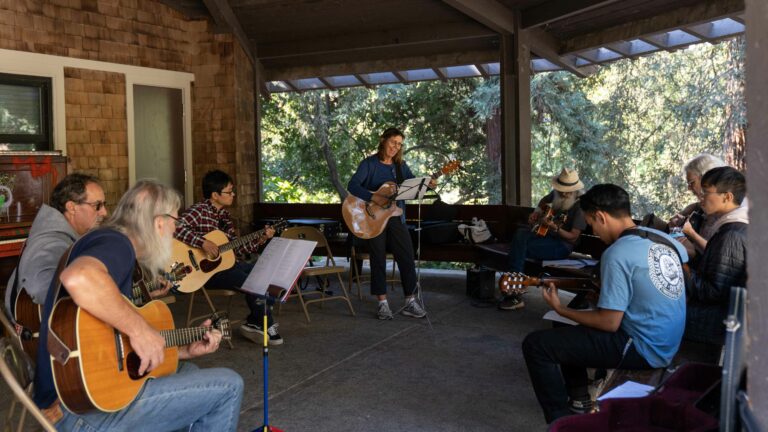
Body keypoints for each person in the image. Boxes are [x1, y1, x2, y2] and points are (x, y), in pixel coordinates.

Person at [34, 179, 244, 430]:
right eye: (175, 222)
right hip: (79, 411)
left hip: (78, 397)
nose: (175, 231)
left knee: (188, 370)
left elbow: (113, 347)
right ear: (158, 222)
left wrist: (182, 350)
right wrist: (140, 330)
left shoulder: (106, 242)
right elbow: (78, 277)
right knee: (230, 385)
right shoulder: (117, 243)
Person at [522, 184, 687, 424]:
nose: (594, 231)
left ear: (601, 216)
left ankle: (561, 422)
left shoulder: (617, 253)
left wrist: (560, 309)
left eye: (592, 224)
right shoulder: (660, 238)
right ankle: (579, 399)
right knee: (566, 331)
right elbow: (685, 260)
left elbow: (609, 323)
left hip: (644, 348)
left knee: (536, 345)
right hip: (668, 340)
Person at [174, 170, 281, 344]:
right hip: (204, 273)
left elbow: (234, 249)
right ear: (215, 195)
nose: (233, 195)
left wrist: (261, 238)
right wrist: (202, 242)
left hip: (226, 266)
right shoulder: (199, 211)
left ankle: (255, 322)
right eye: (229, 192)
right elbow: (174, 226)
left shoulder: (224, 216)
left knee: (264, 271)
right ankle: (262, 323)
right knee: (252, 281)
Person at [347, 127, 433, 320]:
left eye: (399, 144)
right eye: (393, 142)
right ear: (383, 140)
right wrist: (374, 197)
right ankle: (382, 303)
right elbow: (352, 185)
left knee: (407, 256)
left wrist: (428, 185)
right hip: (373, 218)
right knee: (378, 258)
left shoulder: (401, 166)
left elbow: (413, 187)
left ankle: (410, 301)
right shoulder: (369, 164)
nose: (396, 147)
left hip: (395, 217)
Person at [4, 173, 108, 318]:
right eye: (97, 205)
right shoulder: (52, 242)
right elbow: (40, 288)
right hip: (42, 328)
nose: (104, 212)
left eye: (104, 205)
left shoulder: (62, 235)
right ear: (72, 207)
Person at [501, 168, 587, 310]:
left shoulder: (580, 207)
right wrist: (536, 212)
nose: (564, 194)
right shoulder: (555, 194)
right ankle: (514, 288)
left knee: (518, 247)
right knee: (521, 234)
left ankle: (514, 291)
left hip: (561, 246)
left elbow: (572, 237)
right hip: (545, 238)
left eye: (568, 191)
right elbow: (543, 201)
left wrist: (554, 227)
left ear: (575, 190)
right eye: (561, 190)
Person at [685, 166, 747, 345]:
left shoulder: (732, 235)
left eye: (706, 193)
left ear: (727, 197)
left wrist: (681, 267)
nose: (701, 198)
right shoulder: (732, 227)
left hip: (715, 321)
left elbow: (712, 292)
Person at [668, 153, 727, 259]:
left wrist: (691, 233)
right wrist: (682, 217)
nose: (689, 188)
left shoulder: (727, 211)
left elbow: (720, 255)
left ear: (707, 178)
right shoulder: (702, 206)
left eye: (692, 183)